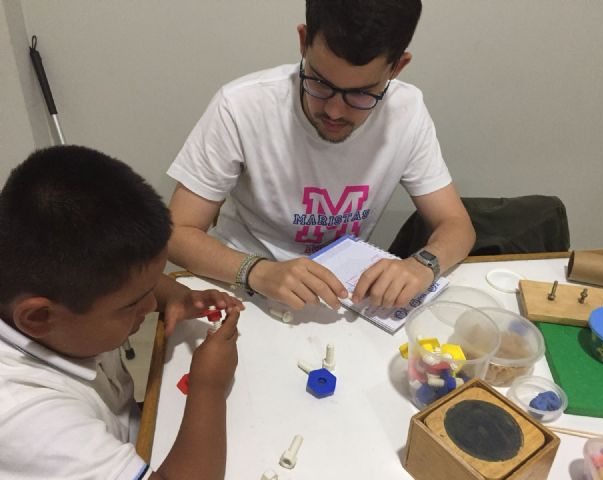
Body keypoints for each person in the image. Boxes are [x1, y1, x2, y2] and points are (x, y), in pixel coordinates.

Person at [167, 0, 475, 312]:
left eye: (361, 94)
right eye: (319, 83)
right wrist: (257, 271)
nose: (333, 110)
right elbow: (176, 233)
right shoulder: (240, 106)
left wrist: (422, 265)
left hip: (340, 298)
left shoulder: (406, 112)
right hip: (243, 283)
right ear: (303, 42)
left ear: (397, 68)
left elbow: (457, 225)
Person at [0, 145, 244, 480]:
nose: (149, 306)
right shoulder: (28, 420)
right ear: (39, 318)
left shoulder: (58, 301)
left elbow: (133, 284)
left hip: (131, 433)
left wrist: (177, 296)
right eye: (133, 303)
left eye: (148, 292)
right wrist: (209, 387)